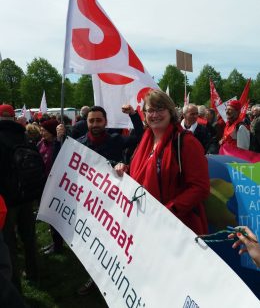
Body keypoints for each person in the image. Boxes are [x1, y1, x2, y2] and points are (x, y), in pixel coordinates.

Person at [56, 104, 144, 295]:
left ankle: (114, 278)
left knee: (112, 244)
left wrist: (134, 115)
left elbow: (140, 136)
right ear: (86, 122)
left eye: (99, 120)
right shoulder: (78, 144)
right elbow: (62, 163)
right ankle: (94, 279)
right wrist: (59, 139)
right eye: (91, 120)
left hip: (113, 204)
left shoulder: (116, 140)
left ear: (105, 122)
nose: (95, 124)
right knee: (93, 244)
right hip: (89, 204)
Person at [116, 90, 210, 235]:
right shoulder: (144, 141)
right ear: (145, 114)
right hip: (144, 223)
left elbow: (200, 187)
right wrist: (125, 169)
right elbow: (142, 172)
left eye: (160, 109)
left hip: (177, 227)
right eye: (150, 110)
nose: (154, 115)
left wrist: (168, 211)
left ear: (170, 111)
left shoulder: (186, 142)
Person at [0, 104, 38, 291]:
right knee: (29, 236)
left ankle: (15, 284)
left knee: (9, 242)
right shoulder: (23, 134)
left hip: (7, 199)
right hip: (27, 194)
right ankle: (33, 271)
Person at [38, 119, 64, 255]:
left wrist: (60, 140)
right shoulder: (41, 144)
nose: (41, 132)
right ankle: (55, 242)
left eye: (45, 130)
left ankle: (58, 244)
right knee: (49, 216)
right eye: (41, 129)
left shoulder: (59, 144)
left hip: (56, 186)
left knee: (55, 216)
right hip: (44, 185)